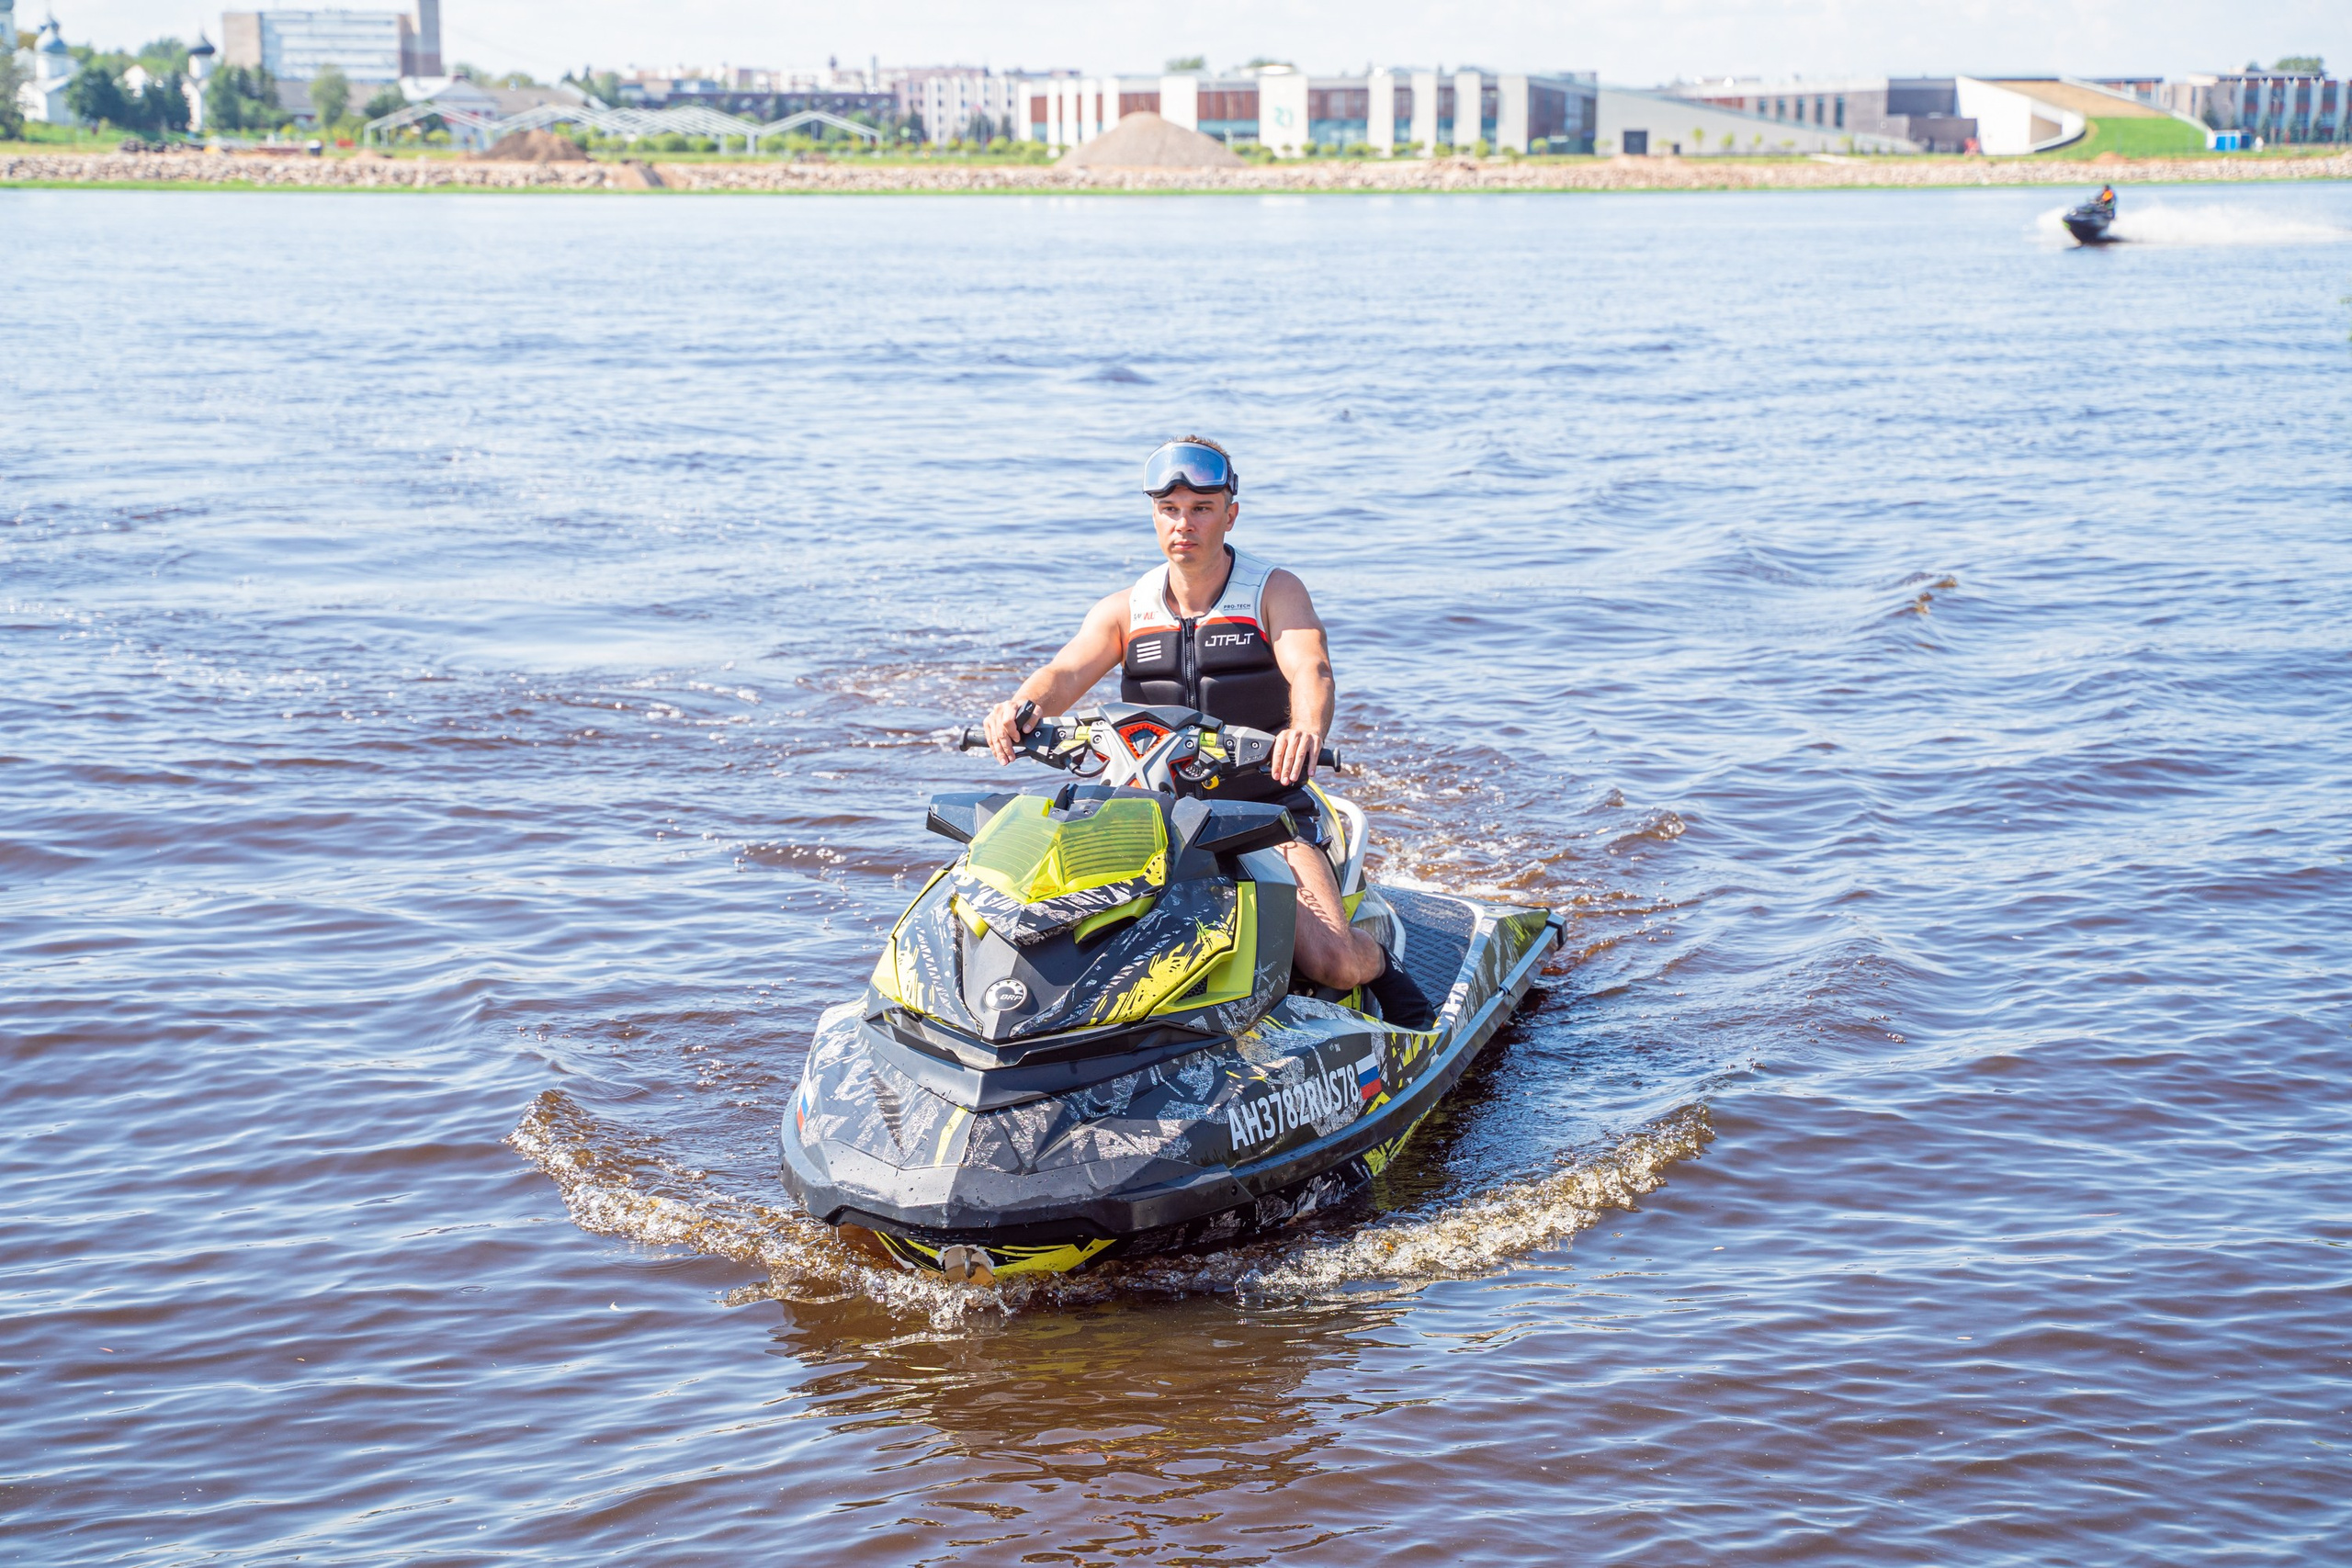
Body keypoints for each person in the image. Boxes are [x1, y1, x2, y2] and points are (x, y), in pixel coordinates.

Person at [983, 436, 1430, 1023]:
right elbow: (1063, 672)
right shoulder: (1125, 609)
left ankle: (1388, 969)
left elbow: (1311, 668)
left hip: (1265, 815)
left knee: (1329, 961)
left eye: (1201, 508)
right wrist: (1020, 706)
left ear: (1230, 513)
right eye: (1170, 510)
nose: (1183, 524)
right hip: (1148, 819)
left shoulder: (1273, 591)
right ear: (1154, 517)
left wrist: (1305, 731)